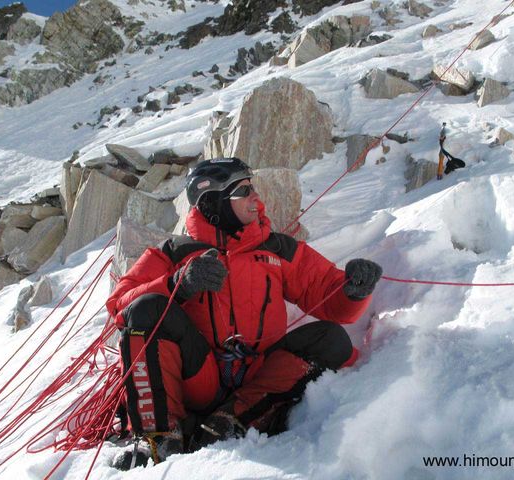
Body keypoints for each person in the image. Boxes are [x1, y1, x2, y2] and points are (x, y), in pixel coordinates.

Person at [106, 157, 382, 468]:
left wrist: (354, 289)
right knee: (146, 309)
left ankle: (226, 423)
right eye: (243, 191)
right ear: (213, 201)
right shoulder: (174, 252)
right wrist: (176, 285)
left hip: (260, 375)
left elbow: (330, 297)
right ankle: (158, 439)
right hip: (200, 377)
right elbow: (121, 307)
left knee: (331, 339)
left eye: (253, 188)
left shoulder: (278, 249)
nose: (256, 198)